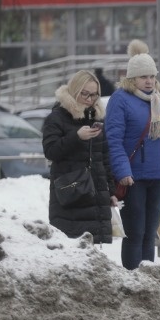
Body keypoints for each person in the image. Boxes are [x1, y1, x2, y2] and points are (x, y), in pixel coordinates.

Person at [105, 40, 160, 270]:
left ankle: (148, 278)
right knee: (135, 231)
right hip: (133, 178)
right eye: (143, 77)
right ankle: (132, 278)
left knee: (150, 233)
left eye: (151, 76)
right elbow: (114, 140)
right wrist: (122, 172)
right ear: (131, 79)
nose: (149, 81)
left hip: (158, 176)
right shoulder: (121, 100)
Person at [42, 69, 117, 244]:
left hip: (95, 194)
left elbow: (104, 158)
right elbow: (51, 151)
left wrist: (111, 192)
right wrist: (76, 137)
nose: (90, 99)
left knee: (93, 250)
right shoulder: (57, 117)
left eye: (95, 95)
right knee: (71, 245)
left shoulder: (97, 118)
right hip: (71, 193)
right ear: (75, 91)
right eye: (85, 94)